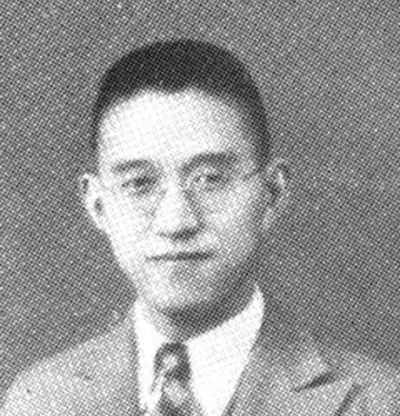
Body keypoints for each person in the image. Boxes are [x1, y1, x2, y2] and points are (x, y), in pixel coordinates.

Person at [2, 39, 399, 416]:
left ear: (272, 193)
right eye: (139, 183)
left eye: (210, 179)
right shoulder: (39, 400)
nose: (176, 222)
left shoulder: (379, 403)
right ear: (98, 205)